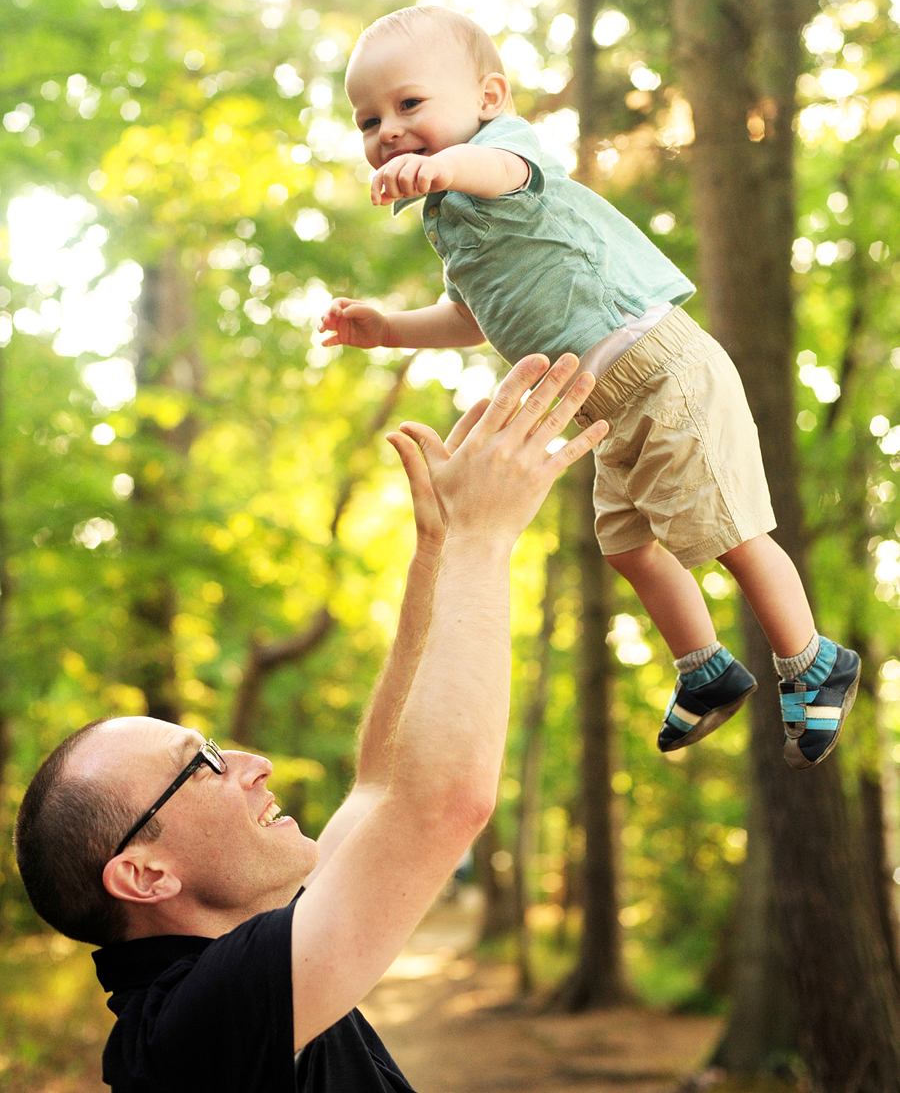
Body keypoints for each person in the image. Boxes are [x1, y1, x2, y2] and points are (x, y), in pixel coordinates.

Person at [15, 354, 607, 1093]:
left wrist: (440, 549)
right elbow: (443, 805)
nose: (252, 762)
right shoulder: (190, 1032)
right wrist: (487, 540)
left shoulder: (241, 962)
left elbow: (382, 781)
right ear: (144, 874)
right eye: (203, 764)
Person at [319, 3, 860, 772]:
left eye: (409, 105)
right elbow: (470, 316)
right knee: (628, 544)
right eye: (367, 121)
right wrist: (387, 327)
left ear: (488, 98)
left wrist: (441, 168)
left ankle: (811, 661)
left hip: (661, 367)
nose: (389, 132)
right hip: (605, 403)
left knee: (728, 529)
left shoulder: (504, 154)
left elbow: (499, 173)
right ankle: (704, 669)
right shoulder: (449, 221)